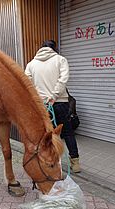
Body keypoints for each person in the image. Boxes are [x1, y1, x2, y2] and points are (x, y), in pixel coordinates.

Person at [25, 40, 80, 173]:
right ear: (54, 49)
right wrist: (54, 96)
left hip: (41, 105)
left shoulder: (31, 64)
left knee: (45, 136)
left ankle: (48, 161)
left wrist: (39, 98)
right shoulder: (60, 60)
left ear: (41, 49)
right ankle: (75, 163)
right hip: (59, 102)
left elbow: (27, 83)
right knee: (67, 133)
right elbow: (63, 79)